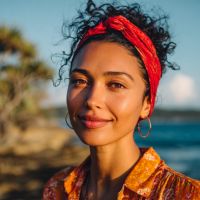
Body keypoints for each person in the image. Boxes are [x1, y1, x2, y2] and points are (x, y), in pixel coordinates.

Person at [43, 0, 200, 199]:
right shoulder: (57, 188)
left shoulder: (186, 194)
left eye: (116, 84)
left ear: (147, 104)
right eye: (80, 81)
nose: (92, 99)